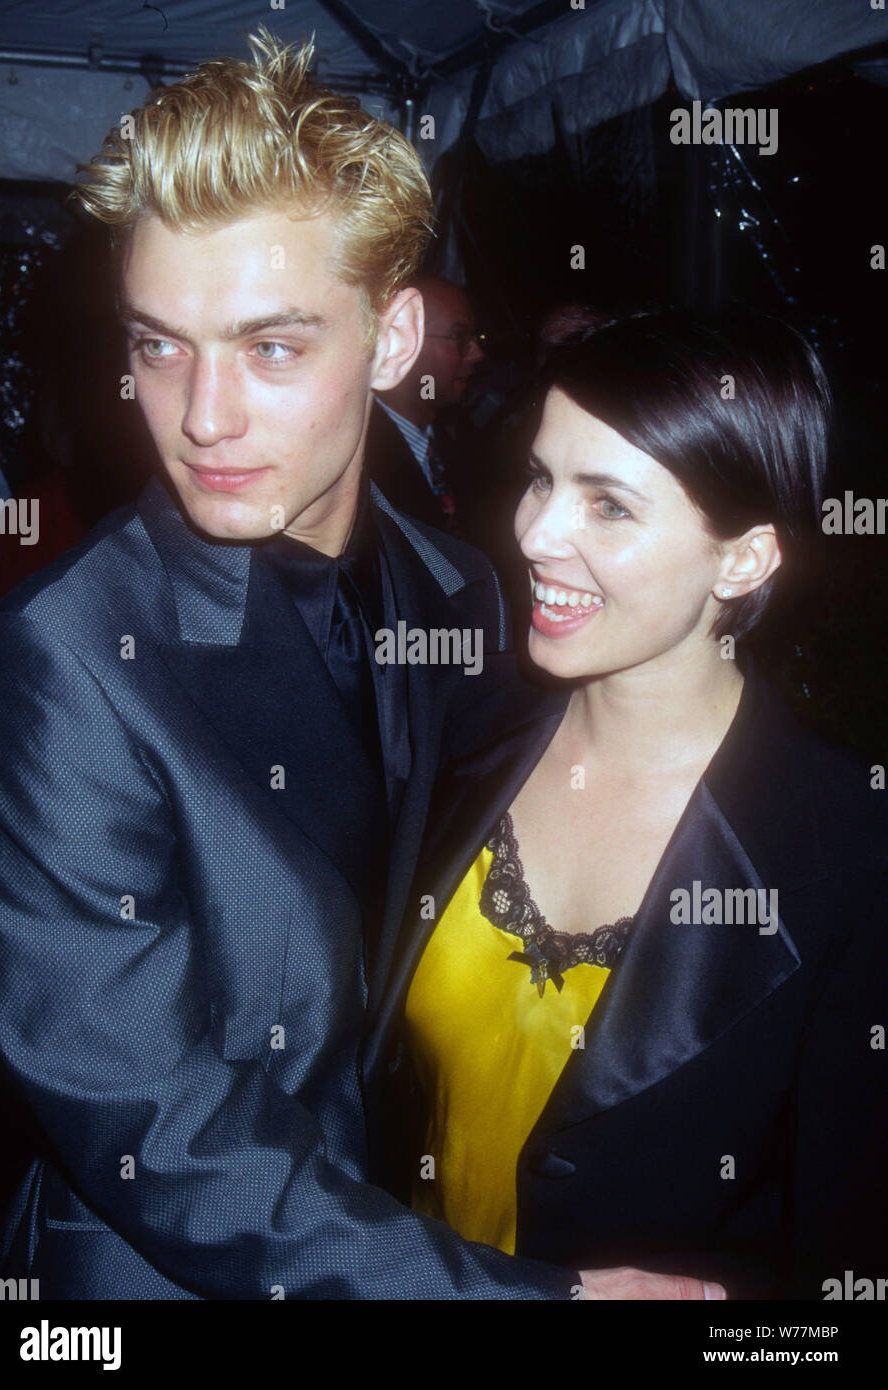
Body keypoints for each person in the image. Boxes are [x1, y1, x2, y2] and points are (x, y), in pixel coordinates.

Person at [0, 34, 715, 1302]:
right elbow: (160, 1129)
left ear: (391, 338)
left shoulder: (460, 585)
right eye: (159, 345)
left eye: (271, 347)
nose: (203, 417)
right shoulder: (59, 664)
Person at [365, 310, 888, 1299]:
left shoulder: (848, 857)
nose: (534, 533)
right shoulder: (458, 726)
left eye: (609, 506)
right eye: (540, 478)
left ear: (743, 560)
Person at [367, 275, 484, 532]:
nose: (477, 354)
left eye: (475, 339)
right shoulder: (357, 461)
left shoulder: (466, 447)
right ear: (402, 342)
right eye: (460, 337)